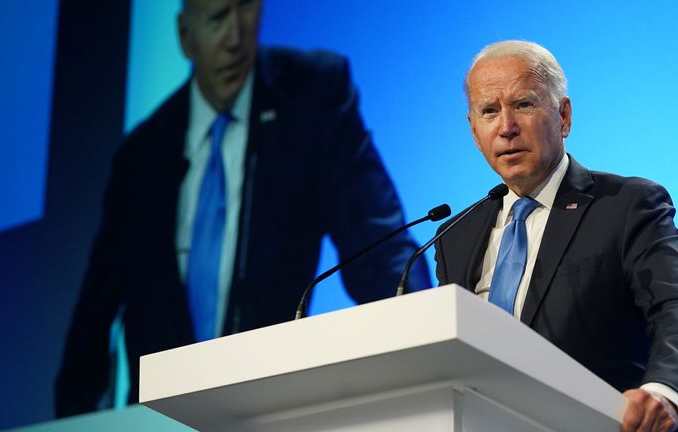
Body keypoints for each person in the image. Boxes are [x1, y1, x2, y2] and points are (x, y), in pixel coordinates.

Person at [55, 0, 430, 417]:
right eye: (216, 18)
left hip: (273, 409)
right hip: (160, 418)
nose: (235, 38)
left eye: (245, 9)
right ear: (185, 36)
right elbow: (93, 320)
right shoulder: (142, 154)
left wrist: (424, 340)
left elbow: (380, 249)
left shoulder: (313, 95)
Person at [434, 41, 678, 432]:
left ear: (564, 116)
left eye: (523, 104)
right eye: (489, 111)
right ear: (474, 130)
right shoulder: (454, 236)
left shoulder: (625, 205)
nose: (506, 127)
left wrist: (665, 392)